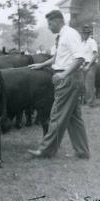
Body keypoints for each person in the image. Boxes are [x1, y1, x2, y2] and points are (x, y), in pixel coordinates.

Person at [27, 10, 89, 159]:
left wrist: (63, 74)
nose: (48, 27)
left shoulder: (69, 34)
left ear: (57, 21)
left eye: (49, 23)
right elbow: (58, 57)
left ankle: (46, 150)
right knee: (74, 117)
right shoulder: (63, 35)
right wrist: (42, 64)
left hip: (68, 78)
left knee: (56, 114)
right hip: (70, 77)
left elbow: (80, 58)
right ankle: (82, 151)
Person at [81, 25, 99, 107]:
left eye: (85, 33)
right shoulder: (82, 43)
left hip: (91, 65)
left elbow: (95, 55)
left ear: (88, 34)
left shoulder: (92, 42)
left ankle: (91, 103)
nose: (83, 35)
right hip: (83, 64)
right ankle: (87, 101)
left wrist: (88, 65)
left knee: (89, 85)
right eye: (83, 33)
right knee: (84, 85)